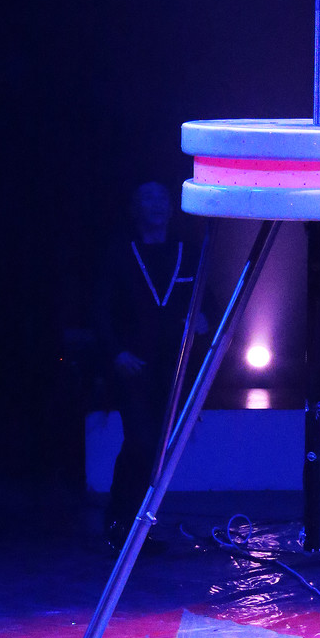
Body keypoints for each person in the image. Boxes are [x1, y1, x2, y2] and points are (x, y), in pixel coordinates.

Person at [96, 181, 205, 549]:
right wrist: (115, 352)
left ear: (172, 208)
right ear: (135, 208)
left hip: (172, 368)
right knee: (139, 442)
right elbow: (101, 308)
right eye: (147, 197)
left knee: (157, 450)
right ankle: (119, 519)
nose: (156, 204)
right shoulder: (120, 253)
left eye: (162, 198)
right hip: (134, 365)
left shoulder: (187, 252)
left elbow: (207, 299)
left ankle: (138, 528)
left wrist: (203, 318)